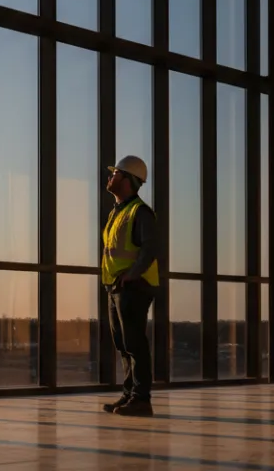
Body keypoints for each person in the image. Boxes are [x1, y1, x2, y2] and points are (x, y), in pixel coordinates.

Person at [100, 155, 158, 417]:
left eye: (115, 173)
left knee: (134, 343)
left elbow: (150, 248)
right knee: (123, 344)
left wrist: (132, 275)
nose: (110, 177)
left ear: (127, 179)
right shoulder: (117, 211)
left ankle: (141, 399)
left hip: (134, 285)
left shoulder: (140, 212)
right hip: (115, 286)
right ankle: (129, 396)